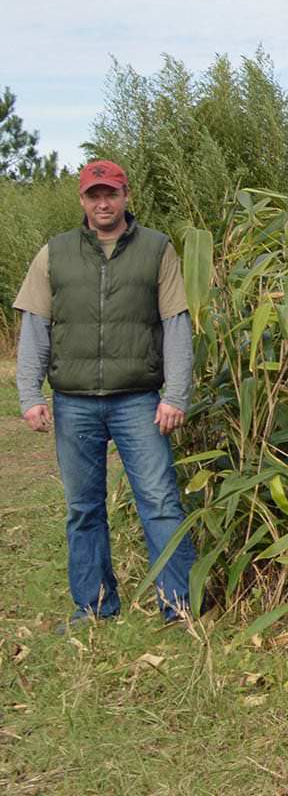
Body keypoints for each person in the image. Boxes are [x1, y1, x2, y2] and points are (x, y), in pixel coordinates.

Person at [14, 159, 197, 627]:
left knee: (159, 502)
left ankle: (179, 606)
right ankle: (94, 606)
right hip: (73, 402)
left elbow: (175, 324)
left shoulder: (157, 249)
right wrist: (30, 395)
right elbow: (35, 326)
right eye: (94, 195)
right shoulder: (54, 253)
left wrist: (175, 395)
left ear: (125, 196)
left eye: (110, 193)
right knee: (82, 508)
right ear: (82, 199)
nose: (102, 203)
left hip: (139, 400)